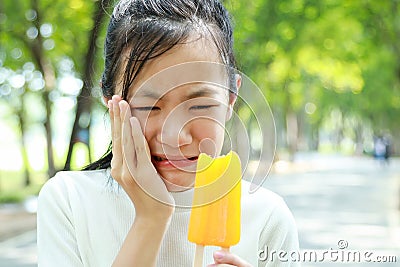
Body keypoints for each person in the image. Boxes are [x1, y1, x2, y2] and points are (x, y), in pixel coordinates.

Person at [37, 0, 300, 266]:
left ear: (231, 99)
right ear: (110, 102)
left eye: (200, 105)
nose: (175, 137)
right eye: (149, 106)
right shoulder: (70, 202)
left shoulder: (268, 217)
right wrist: (151, 216)